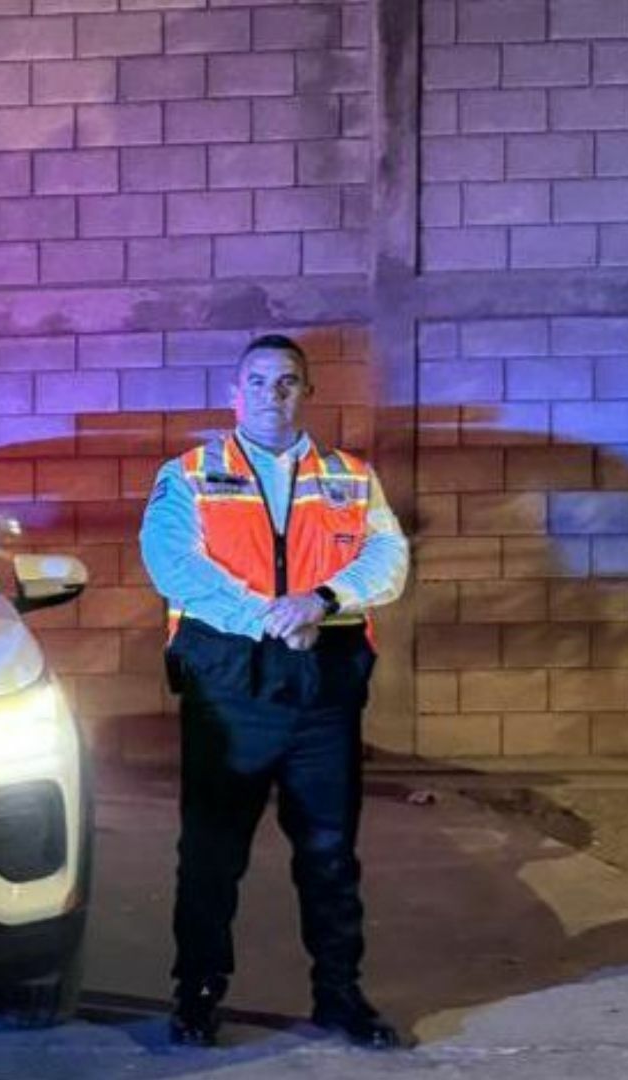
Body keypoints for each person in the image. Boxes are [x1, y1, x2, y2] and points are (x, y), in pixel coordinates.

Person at [138, 333, 410, 1050]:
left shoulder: (352, 476)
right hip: (231, 689)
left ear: (306, 392)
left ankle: (340, 997)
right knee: (212, 852)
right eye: (257, 381)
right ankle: (197, 994)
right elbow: (173, 564)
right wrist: (271, 617)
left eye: (286, 381)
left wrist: (321, 599)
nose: (272, 394)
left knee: (329, 851)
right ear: (236, 393)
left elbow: (388, 557)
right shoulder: (190, 473)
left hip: (323, 690)